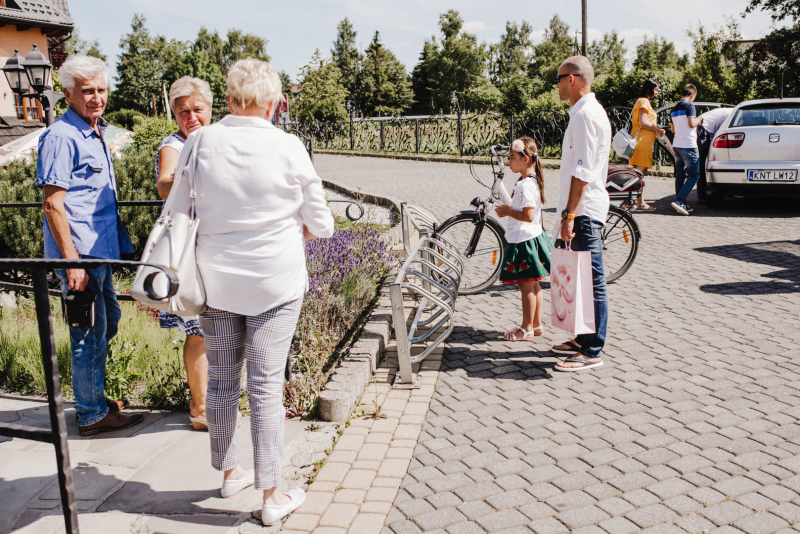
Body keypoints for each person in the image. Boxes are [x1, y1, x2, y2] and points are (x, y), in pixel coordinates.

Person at [169, 58, 334, 525]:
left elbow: (177, 208)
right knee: (265, 387)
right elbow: (321, 224)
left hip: (216, 282)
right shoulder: (288, 146)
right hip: (273, 283)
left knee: (221, 380)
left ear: (227, 100)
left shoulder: (199, 142)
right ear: (274, 102)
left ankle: (229, 472)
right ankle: (271, 496)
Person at [36, 55, 143, 436]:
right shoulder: (62, 136)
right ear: (67, 94)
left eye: (101, 89)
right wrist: (72, 263)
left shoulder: (95, 130)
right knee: (87, 333)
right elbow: (53, 204)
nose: (96, 98)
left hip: (98, 254)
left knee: (107, 321)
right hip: (80, 257)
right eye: (87, 91)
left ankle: (92, 396)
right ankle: (92, 414)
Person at [155, 76, 213, 431]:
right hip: (189, 246)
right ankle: (200, 407)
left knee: (216, 327)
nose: (191, 117)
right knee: (198, 329)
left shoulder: (215, 139)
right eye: (183, 112)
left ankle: (213, 401)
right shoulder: (175, 144)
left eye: (197, 110)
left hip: (214, 242)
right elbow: (163, 185)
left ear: (210, 109)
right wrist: (184, 177)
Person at [550, 56, 611, 372]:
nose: (557, 85)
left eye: (558, 79)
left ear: (571, 79)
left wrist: (569, 215)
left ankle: (592, 351)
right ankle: (582, 338)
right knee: (579, 276)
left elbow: (583, 170)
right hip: (582, 209)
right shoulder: (585, 113)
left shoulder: (586, 115)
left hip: (584, 211)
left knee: (591, 278)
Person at [496, 137, 552, 341]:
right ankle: (536, 325)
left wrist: (507, 210)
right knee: (534, 285)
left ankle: (526, 327)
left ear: (526, 159)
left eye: (512, 157)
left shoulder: (524, 186)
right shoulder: (531, 180)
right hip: (532, 238)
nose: (509, 161)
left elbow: (527, 216)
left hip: (524, 241)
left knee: (525, 286)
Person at [628, 79, 666, 211]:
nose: (656, 92)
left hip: (644, 141)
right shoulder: (644, 101)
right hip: (643, 141)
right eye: (655, 89)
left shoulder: (643, 101)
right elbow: (643, 122)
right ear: (649, 89)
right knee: (639, 173)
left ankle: (631, 201)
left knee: (637, 173)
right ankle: (639, 203)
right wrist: (657, 130)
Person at [669, 84, 702, 215]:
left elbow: (673, 129)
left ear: (681, 94)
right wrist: (700, 119)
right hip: (688, 145)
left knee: (680, 176)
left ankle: (680, 203)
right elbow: (691, 124)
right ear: (692, 95)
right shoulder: (690, 106)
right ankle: (679, 201)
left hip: (677, 144)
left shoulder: (674, 108)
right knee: (694, 175)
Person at [696, 106, 734, 202]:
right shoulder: (733, 114)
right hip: (704, 129)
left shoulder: (731, 111)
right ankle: (702, 195)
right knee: (703, 163)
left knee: (703, 163)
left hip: (704, 127)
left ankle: (702, 195)